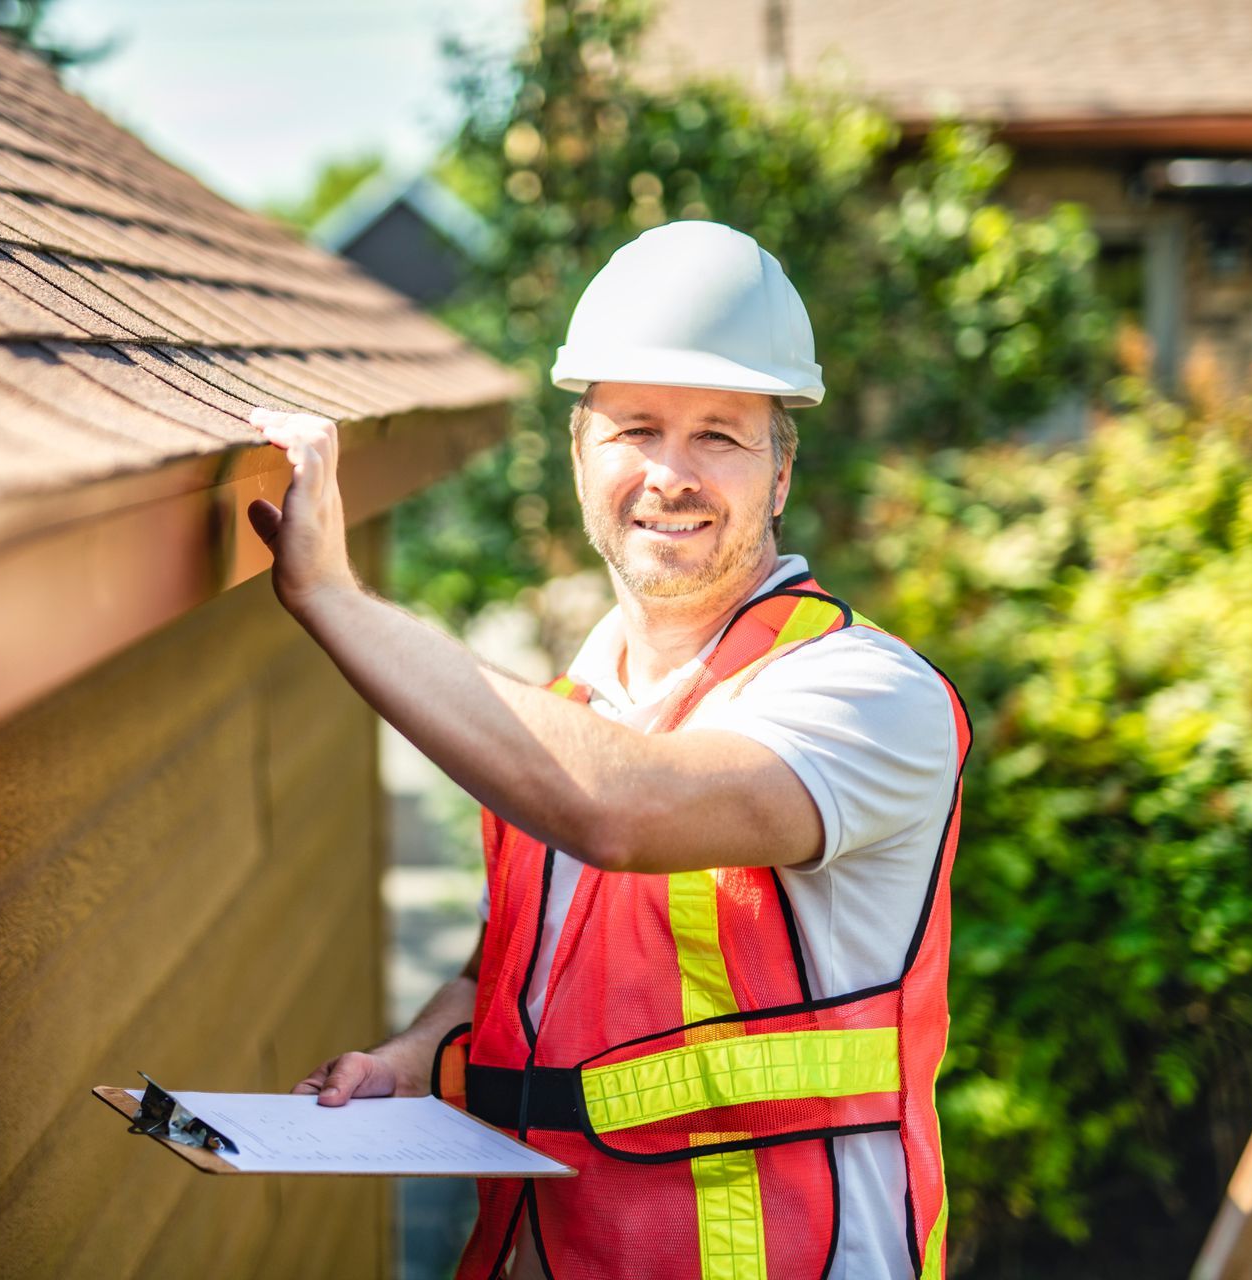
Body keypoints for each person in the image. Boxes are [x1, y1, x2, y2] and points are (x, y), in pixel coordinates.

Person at [248, 221, 970, 1280]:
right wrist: (415, 1057)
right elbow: (522, 963)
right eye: (636, 428)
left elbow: (618, 808)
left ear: (780, 470)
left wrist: (330, 596)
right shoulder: (568, 710)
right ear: (581, 453)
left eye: (719, 434)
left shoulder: (868, 694)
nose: (671, 474)